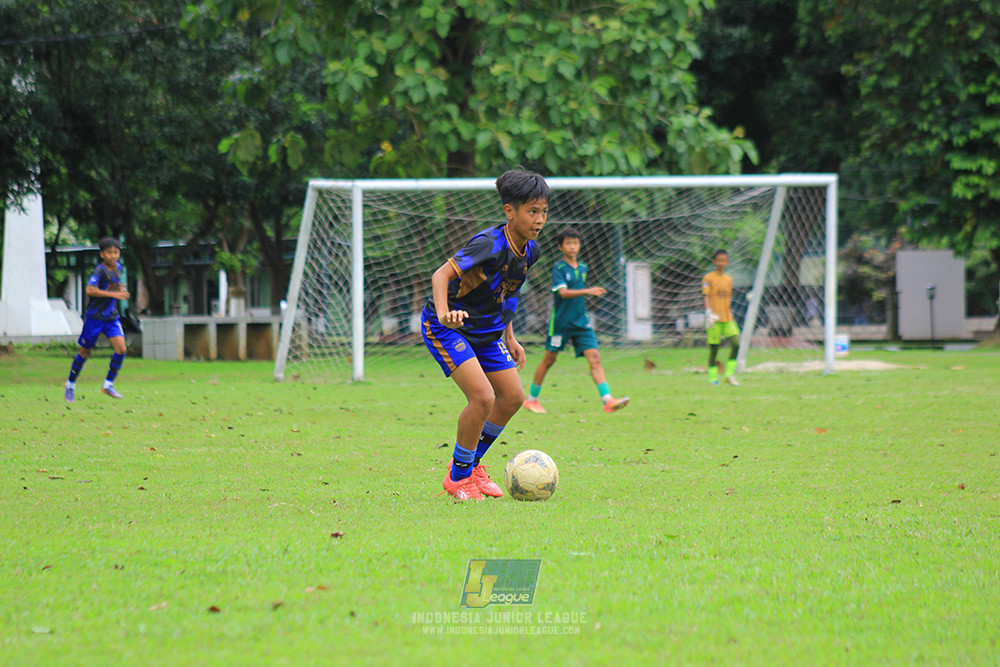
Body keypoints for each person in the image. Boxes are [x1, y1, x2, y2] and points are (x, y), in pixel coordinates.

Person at [421, 169, 549, 501]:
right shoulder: (489, 244)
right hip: (449, 328)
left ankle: (471, 465)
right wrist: (444, 313)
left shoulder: (530, 250)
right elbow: (440, 275)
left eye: (544, 211)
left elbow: (506, 293)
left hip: (487, 332)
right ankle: (458, 478)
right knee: (482, 397)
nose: (539, 219)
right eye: (532, 211)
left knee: (512, 397)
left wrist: (510, 336)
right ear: (510, 212)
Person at [522, 228, 629, 414]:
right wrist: (588, 291)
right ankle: (531, 400)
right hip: (561, 324)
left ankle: (607, 400)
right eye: (568, 243)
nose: (572, 246)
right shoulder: (559, 269)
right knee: (549, 359)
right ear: (560, 246)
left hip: (582, 323)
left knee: (595, 358)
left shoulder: (583, 268)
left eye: (575, 243)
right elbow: (563, 293)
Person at [64, 237, 130, 402]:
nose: (113, 255)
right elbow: (90, 290)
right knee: (85, 352)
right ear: (102, 254)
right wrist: (116, 294)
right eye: (109, 252)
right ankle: (70, 384)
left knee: (121, 349)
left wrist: (120, 289)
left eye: (116, 252)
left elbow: (113, 285)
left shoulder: (118, 268)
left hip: (111, 318)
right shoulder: (99, 270)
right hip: (94, 318)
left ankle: (108, 384)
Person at [703, 249, 740, 386]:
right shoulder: (708, 278)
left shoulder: (728, 279)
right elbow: (706, 296)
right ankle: (713, 378)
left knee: (736, 343)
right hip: (714, 319)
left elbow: (727, 297)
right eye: (719, 260)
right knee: (714, 349)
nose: (721, 263)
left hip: (727, 318)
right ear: (714, 261)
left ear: (727, 262)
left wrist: (729, 311)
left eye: (724, 260)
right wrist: (708, 312)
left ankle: (729, 374)